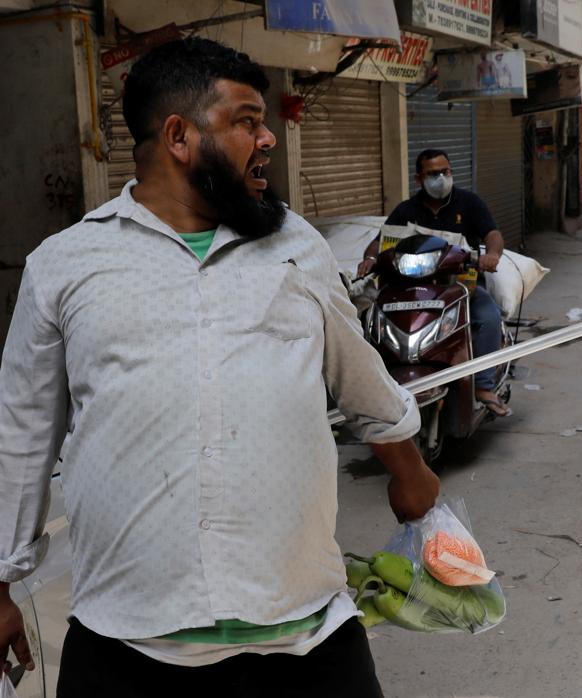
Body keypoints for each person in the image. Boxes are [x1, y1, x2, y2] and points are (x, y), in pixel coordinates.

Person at [0, 38, 439, 696]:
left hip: (304, 633)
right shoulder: (65, 265)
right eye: (246, 120)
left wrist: (410, 473)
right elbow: (21, 433)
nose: (267, 139)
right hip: (129, 641)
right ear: (179, 137)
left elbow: (358, 375)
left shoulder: (296, 246)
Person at [359, 149, 511, 417]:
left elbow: (493, 234)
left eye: (445, 171)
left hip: (459, 286)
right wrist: (370, 258)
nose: (440, 178)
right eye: (432, 174)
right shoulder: (406, 210)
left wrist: (492, 254)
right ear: (419, 178)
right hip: (414, 288)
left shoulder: (469, 203)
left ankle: (484, 385)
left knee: (487, 317)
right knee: (370, 320)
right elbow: (380, 242)